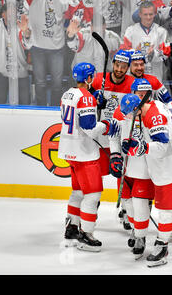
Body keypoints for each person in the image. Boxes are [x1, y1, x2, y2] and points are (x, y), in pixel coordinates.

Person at [119, 91, 172, 267]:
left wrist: (141, 147)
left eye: (131, 114)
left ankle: (161, 246)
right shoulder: (153, 105)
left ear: (137, 109)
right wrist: (136, 144)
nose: (130, 118)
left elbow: (162, 146)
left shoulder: (154, 117)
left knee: (165, 209)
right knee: (171, 205)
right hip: (170, 164)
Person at [59, 62, 111, 252]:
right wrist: (106, 124)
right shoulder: (87, 97)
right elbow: (90, 129)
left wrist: (93, 101)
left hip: (69, 150)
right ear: (89, 78)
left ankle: (71, 227)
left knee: (79, 192)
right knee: (93, 194)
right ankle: (86, 234)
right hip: (84, 153)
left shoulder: (67, 93)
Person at [108, 80, 156, 259]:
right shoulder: (121, 109)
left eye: (145, 93)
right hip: (126, 167)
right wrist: (115, 155)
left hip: (143, 168)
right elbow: (114, 136)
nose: (142, 96)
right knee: (128, 202)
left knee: (139, 202)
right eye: (139, 92)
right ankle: (137, 230)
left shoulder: (151, 112)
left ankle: (140, 237)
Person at [91, 49, 136, 230]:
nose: (119, 69)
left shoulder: (133, 83)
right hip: (100, 137)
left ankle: (126, 211)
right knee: (95, 175)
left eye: (123, 66)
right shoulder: (98, 79)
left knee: (123, 175)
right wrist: (95, 99)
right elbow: (83, 99)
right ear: (113, 64)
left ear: (128, 68)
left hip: (120, 136)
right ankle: (91, 209)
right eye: (117, 65)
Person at [21, 0, 79, 106]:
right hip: (38, 47)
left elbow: (76, 9)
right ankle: (40, 110)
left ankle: (54, 111)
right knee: (40, 83)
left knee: (57, 84)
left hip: (57, 48)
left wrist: (73, 25)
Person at [120, 1, 171, 83]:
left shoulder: (162, 32)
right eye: (145, 14)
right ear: (140, 14)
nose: (148, 17)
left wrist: (153, 53)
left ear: (155, 14)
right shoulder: (130, 31)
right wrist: (134, 52)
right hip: (134, 76)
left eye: (150, 14)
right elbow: (122, 52)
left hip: (155, 76)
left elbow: (166, 53)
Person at [0, 3, 32, 105]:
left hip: (20, 71)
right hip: (1, 72)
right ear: (3, 14)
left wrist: (26, 32)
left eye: (15, 11)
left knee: (25, 103)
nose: (13, 14)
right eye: (10, 11)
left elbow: (28, 44)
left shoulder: (21, 25)